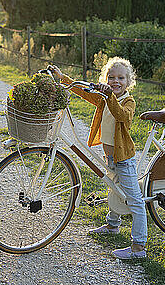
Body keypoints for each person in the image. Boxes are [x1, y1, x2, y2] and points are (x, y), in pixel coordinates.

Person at [49, 58, 147, 259]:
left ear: (129, 82)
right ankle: (112, 225)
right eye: (111, 77)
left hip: (123, 158)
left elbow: (121, 116)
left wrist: (109, 94)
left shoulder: (128, 101)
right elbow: (85, 93)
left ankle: (139, 247)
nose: (115, 81)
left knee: (135, 201)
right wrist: (63, 79)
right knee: (114, 188)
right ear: (105, 79)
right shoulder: (104, 97)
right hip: (110, 156)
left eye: (121, 78)